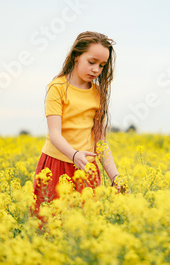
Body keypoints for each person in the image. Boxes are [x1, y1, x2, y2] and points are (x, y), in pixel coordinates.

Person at [32, 31, 126, 217]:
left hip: (86, 169)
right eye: (91, 62)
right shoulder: (57, 88)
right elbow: (54, 134)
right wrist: (74, 155)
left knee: (84, 230)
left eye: (101, 65)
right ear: (76, 56)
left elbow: (100, 142)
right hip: (56, 166)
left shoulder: (98, 94)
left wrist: (116, 178)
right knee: (50, 226)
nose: (96, 70)